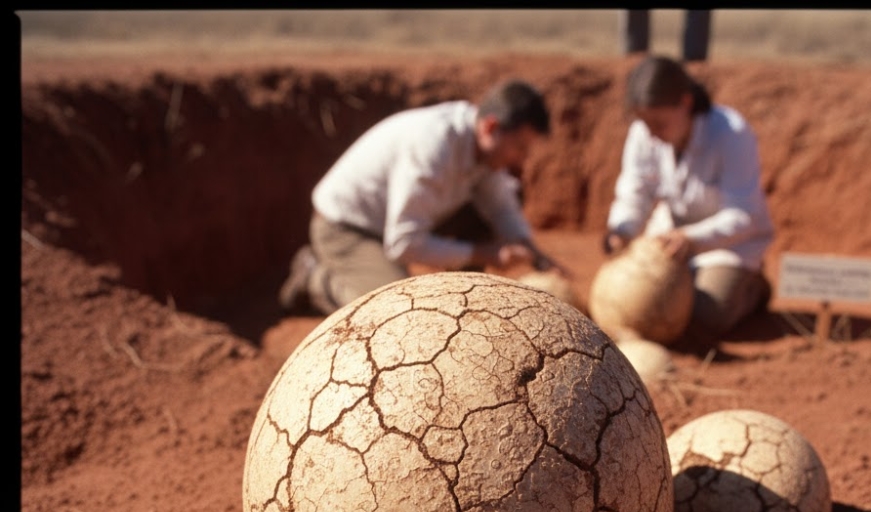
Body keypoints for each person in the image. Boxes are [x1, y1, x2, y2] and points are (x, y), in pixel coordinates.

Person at [280, 79, 565, 315]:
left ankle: (460, 308)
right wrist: (484, 254)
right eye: (519, 147)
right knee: (396, 312)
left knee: (482, 221)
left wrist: (537, 255)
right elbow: (403, 242)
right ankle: (315, 277)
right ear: (491, 127)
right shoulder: (433, 148)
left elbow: (501, 206)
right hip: (345, 229)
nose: (523, 159)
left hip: (393, 223)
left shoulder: (482, 148)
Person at [603, 56, 774, 348]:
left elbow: (744, 214)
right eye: (645, 123)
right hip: (667, 239)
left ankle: (753, 287)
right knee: (622, 300)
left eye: (660, 123)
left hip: (728, 244)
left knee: (706, 314)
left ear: (686, 102)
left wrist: (691, 238)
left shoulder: (732, 133)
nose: (652, 133)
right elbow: (636, 189)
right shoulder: (644, 132)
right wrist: (623, 229)